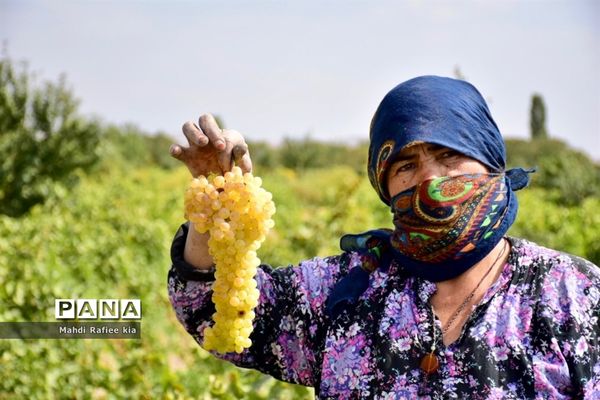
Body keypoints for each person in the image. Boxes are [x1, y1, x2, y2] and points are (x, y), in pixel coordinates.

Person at [167, 76, 600, 399]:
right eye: (406, 166)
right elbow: (217, 312)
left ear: (490, 162)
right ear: (385, 184)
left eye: (448, 155)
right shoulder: (343, 292)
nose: (430, 180)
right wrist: (218, 205)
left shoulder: (572, 296)